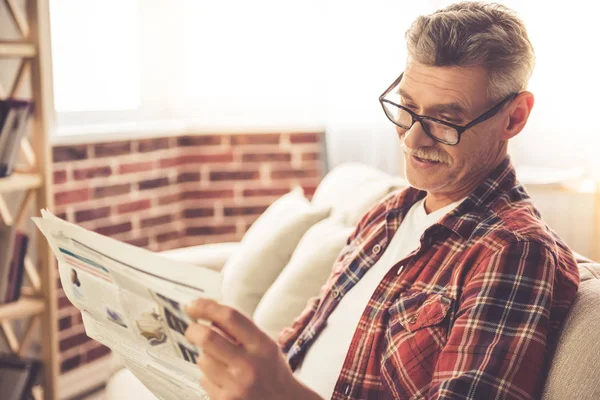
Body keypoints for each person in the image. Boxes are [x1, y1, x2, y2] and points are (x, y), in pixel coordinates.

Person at [184, 2, 580, 399]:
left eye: (444, 120)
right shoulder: (388, 214)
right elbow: (300, 344)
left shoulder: (512, 251)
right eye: (407, 108)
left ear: (513, 118)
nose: (411, 139)